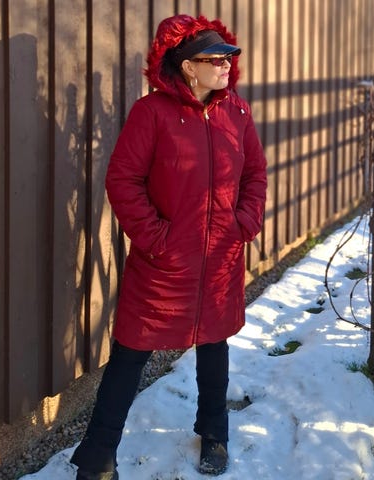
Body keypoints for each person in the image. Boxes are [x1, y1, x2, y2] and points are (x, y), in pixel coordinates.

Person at [71, 13, 267, 479]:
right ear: (187, 66)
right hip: (164, 262)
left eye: (229, 56)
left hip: (219, 259)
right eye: (215, 58)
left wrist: (244, 222)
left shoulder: (237, 113)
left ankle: (214, 433)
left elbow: (255, 174)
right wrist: (157, 238)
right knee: (130, 353)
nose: (226, 64)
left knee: (214, 345)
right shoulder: (152, 114)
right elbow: (123, 180)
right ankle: (98, 457)